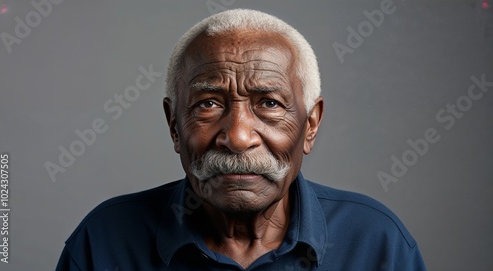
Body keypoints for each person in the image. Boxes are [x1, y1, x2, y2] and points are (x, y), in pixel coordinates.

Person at [56, 9, 426, 271]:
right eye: (208, 104)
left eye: (269, 103)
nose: (237, 137)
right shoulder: (104, 241)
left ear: (310, 125)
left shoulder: (376, 242)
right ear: (174, 126)